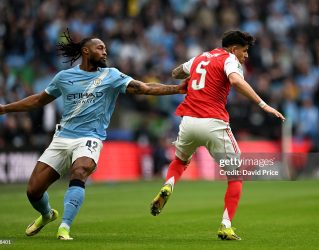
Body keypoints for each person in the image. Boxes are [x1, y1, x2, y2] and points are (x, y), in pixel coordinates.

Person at [0, 30, 187, 240]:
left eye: (106, 48)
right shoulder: (64, 77)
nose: (105, 52)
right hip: (62, 138)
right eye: (100, 48)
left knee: (79, 171)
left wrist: (177, 89)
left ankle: (65, 227)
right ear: (86, 51)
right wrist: (5, 108)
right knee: (33, 191)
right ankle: (47, 214)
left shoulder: (112, 75)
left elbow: (144, 88)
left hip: (90, 137)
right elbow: (37, 100)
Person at [150, 30, 285, 240]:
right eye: (245, 50)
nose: (246, 55)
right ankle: (226, 225)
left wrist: (189, 76)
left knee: (180, 160)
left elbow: (175, 72)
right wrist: (263, 104)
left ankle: (169, 184)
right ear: (233, 49)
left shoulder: (200, 57)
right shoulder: (230, 59)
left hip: (188, 122)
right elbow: (236, 81)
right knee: (236, 176)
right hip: (213, 123)